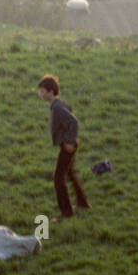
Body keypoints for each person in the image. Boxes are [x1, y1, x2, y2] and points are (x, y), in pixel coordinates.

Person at [38, 73, 91, 219]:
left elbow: (73, 122)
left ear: (50, 91)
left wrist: (68, 141)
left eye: (42, 91)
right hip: (69, 144)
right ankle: (83, 202)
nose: (40, 94)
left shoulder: (57, 107)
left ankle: (66, 212)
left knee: (58, 178)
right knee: (70, 173)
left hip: (68, 146)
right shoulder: (59, 104)